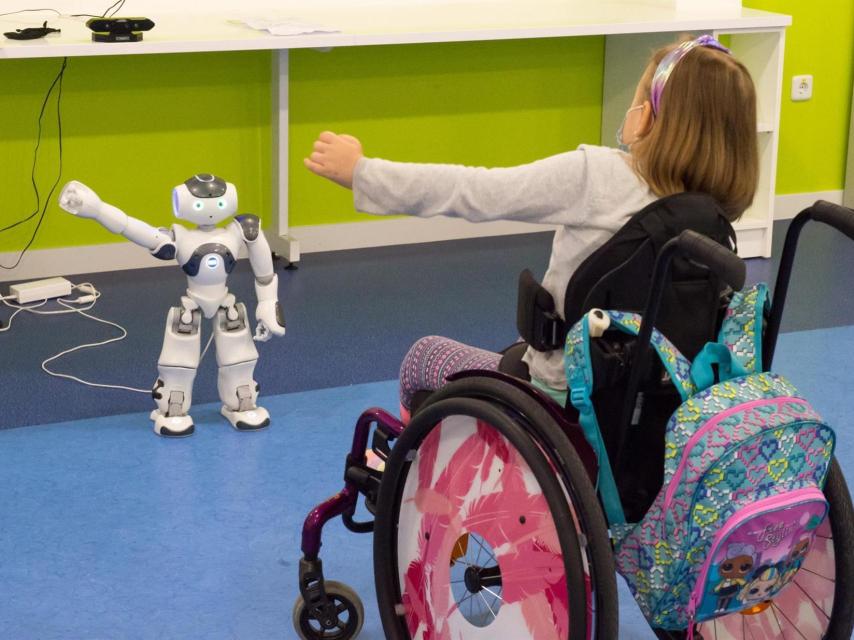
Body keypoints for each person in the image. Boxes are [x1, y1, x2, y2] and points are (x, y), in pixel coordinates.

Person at [304, 35, 758, 418]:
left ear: (649, 116)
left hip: (562, 396)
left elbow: (475, 191)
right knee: (510, 351)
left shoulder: (597, 176)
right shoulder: (715, 214)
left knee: (423, 357)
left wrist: (363, 172)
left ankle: (416, 481)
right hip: (655, 405)